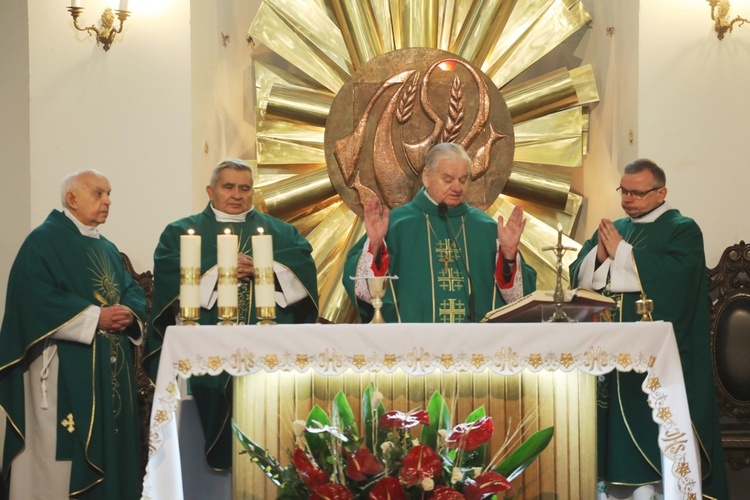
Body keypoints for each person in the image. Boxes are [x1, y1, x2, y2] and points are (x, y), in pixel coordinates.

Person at [143, 158, 318, 470]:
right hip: (203, 360)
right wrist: (218, 269)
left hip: (266, 357)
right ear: (211, 191)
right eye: (228, 187)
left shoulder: (283, 233)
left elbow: (304, 273)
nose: (237, 194)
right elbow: (170, 278)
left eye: (245, 188)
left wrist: (268, 269)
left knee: (268, 426)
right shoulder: (182, 232)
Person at [570, 158, 728, 499]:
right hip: (610, 360)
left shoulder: (681, 228)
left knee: (649, 432)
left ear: (661, 193)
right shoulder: (615, 227)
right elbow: (581, 277)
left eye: (637, 193)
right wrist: (600, 256)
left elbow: (676, 281)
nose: (628, 199)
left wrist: (622, 254)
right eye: (624, 191)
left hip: (657, 359)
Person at [0, 170, 146, 499]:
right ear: (72, 198)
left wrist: (128, 313)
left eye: (109, 194)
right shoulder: (44, 240)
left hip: (108, 367)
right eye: (98, 193)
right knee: (59, 454)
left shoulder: (106, 247)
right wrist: (95, 317)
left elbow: (131, 290)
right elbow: (32, 299)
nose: (107, 201)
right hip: (61, 368)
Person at [344, 142, 536, 323]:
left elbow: (518, 299)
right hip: (413, 348)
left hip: (476, 349)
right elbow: (364, 290)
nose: (457, 187)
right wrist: (375, 247)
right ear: (427, 177)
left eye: (463, 180)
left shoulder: (485, 228)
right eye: (448, 179)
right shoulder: (396, 224)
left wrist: (509, 256)